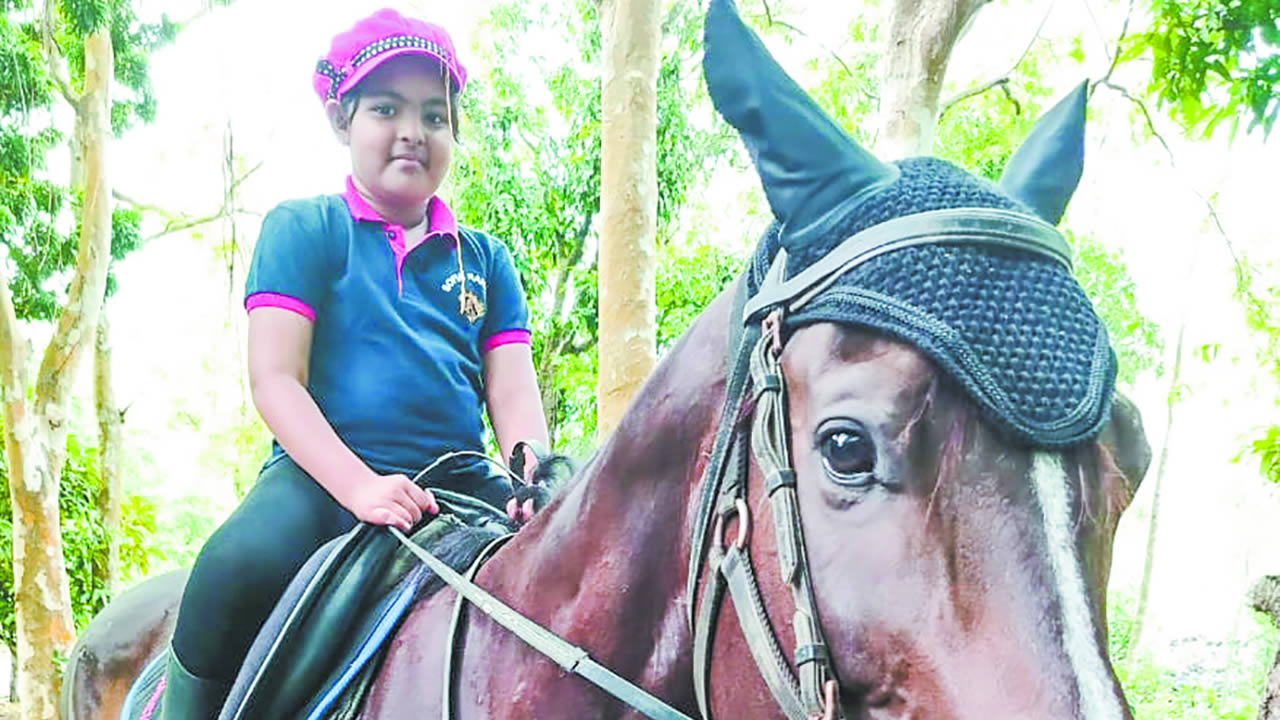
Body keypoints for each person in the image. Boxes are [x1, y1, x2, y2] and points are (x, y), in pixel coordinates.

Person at [160, 9, 550, 718]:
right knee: (229, 569)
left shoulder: (486, 261)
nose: (413, 129)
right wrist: (359, 487)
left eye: (435, 114)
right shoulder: (304, 228)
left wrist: (533, 479)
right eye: (385, 108)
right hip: (322, 476)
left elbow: (514, 395)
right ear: (343, 120)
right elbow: (276, 379)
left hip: (459, 477)